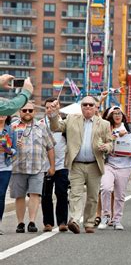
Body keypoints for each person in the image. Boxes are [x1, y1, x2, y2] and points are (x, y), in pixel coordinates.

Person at [48, 96, 113, 234]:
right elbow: (55, 127)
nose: (88, 107)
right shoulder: (71, 119)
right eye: (85, 105)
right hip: (76, 164)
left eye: (91, 105)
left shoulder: (104, 124)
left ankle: (89, 222)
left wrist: (106, 147)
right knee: (75, 194)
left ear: (96, 107)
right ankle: (75, 220)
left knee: (92, 196)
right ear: (81, 107)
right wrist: (53, 114)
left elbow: (111, 142)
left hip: (95, 164)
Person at [11, 101, 55, 233]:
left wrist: (52, 166)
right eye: (24, 110)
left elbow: (50, 147)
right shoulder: (13, 127)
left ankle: (32, 221)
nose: (27, 113)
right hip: (17, 167)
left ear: (34, 112)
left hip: (37, 167)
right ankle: (20, 223)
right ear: (20, 112)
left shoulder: (41, 127)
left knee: (35, 194)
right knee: (19, 196)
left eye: (30, 110)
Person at [98, 106, 131, 231]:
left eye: (119, 113)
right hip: (108, 163)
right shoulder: (106, 128)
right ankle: (105, 216)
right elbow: (101, 141)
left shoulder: (129, 128)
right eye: (114, 113)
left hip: (124, 165)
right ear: (110, 116)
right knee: (105, 188)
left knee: (120, 195)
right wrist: (116, 136)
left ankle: (117, 220)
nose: (117, 115)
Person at [41, 98, 69, 232]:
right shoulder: (40, 124)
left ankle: (62, 221)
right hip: (44, 166)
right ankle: (48, 222)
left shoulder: (64, 124)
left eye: (52, 107)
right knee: (46, 195)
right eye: (47, 108)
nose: (49, 110)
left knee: (61, 193)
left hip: (62, 165)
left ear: (58, 108)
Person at [0, 114, 16, 234]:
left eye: (4, 112)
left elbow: (15, 149)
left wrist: (9, 150)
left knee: (1, 195)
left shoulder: (10, 130)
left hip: (5, 167)